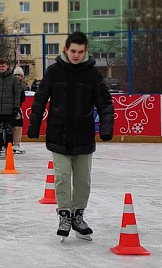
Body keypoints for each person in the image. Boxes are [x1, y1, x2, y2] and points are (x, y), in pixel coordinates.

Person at [28, 31, 115, 242]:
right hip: (58, 132)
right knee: (63, 177)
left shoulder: (93, 75)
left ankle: (78, 215)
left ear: (85, 52)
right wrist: (34, 125)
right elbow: (40, 100)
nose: (76, 55)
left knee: (83, 180)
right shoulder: (53, 72)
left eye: (80, 51)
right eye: (73, 51)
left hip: (84, 134)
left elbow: (104, 103)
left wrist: (106, 127)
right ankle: (65, 215)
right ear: (66, 49)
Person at [0, 59, 22, 158]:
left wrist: (16, 107)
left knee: (9, 130)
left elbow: (17, 94)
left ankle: (9, 147)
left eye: (3, 66)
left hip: (9, 110)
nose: (1, 68)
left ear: (7, 66)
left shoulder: (13, 79)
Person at [12, 67, 27, 154]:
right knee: (13, 125)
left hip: (18, 108)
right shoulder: (11, 84)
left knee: (18, 125)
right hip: (11, 108)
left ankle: (16, 143)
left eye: (20, 75)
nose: (18, 77)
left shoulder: (21, 86)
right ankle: (11, 144)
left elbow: (23, 98)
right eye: (16, 75)